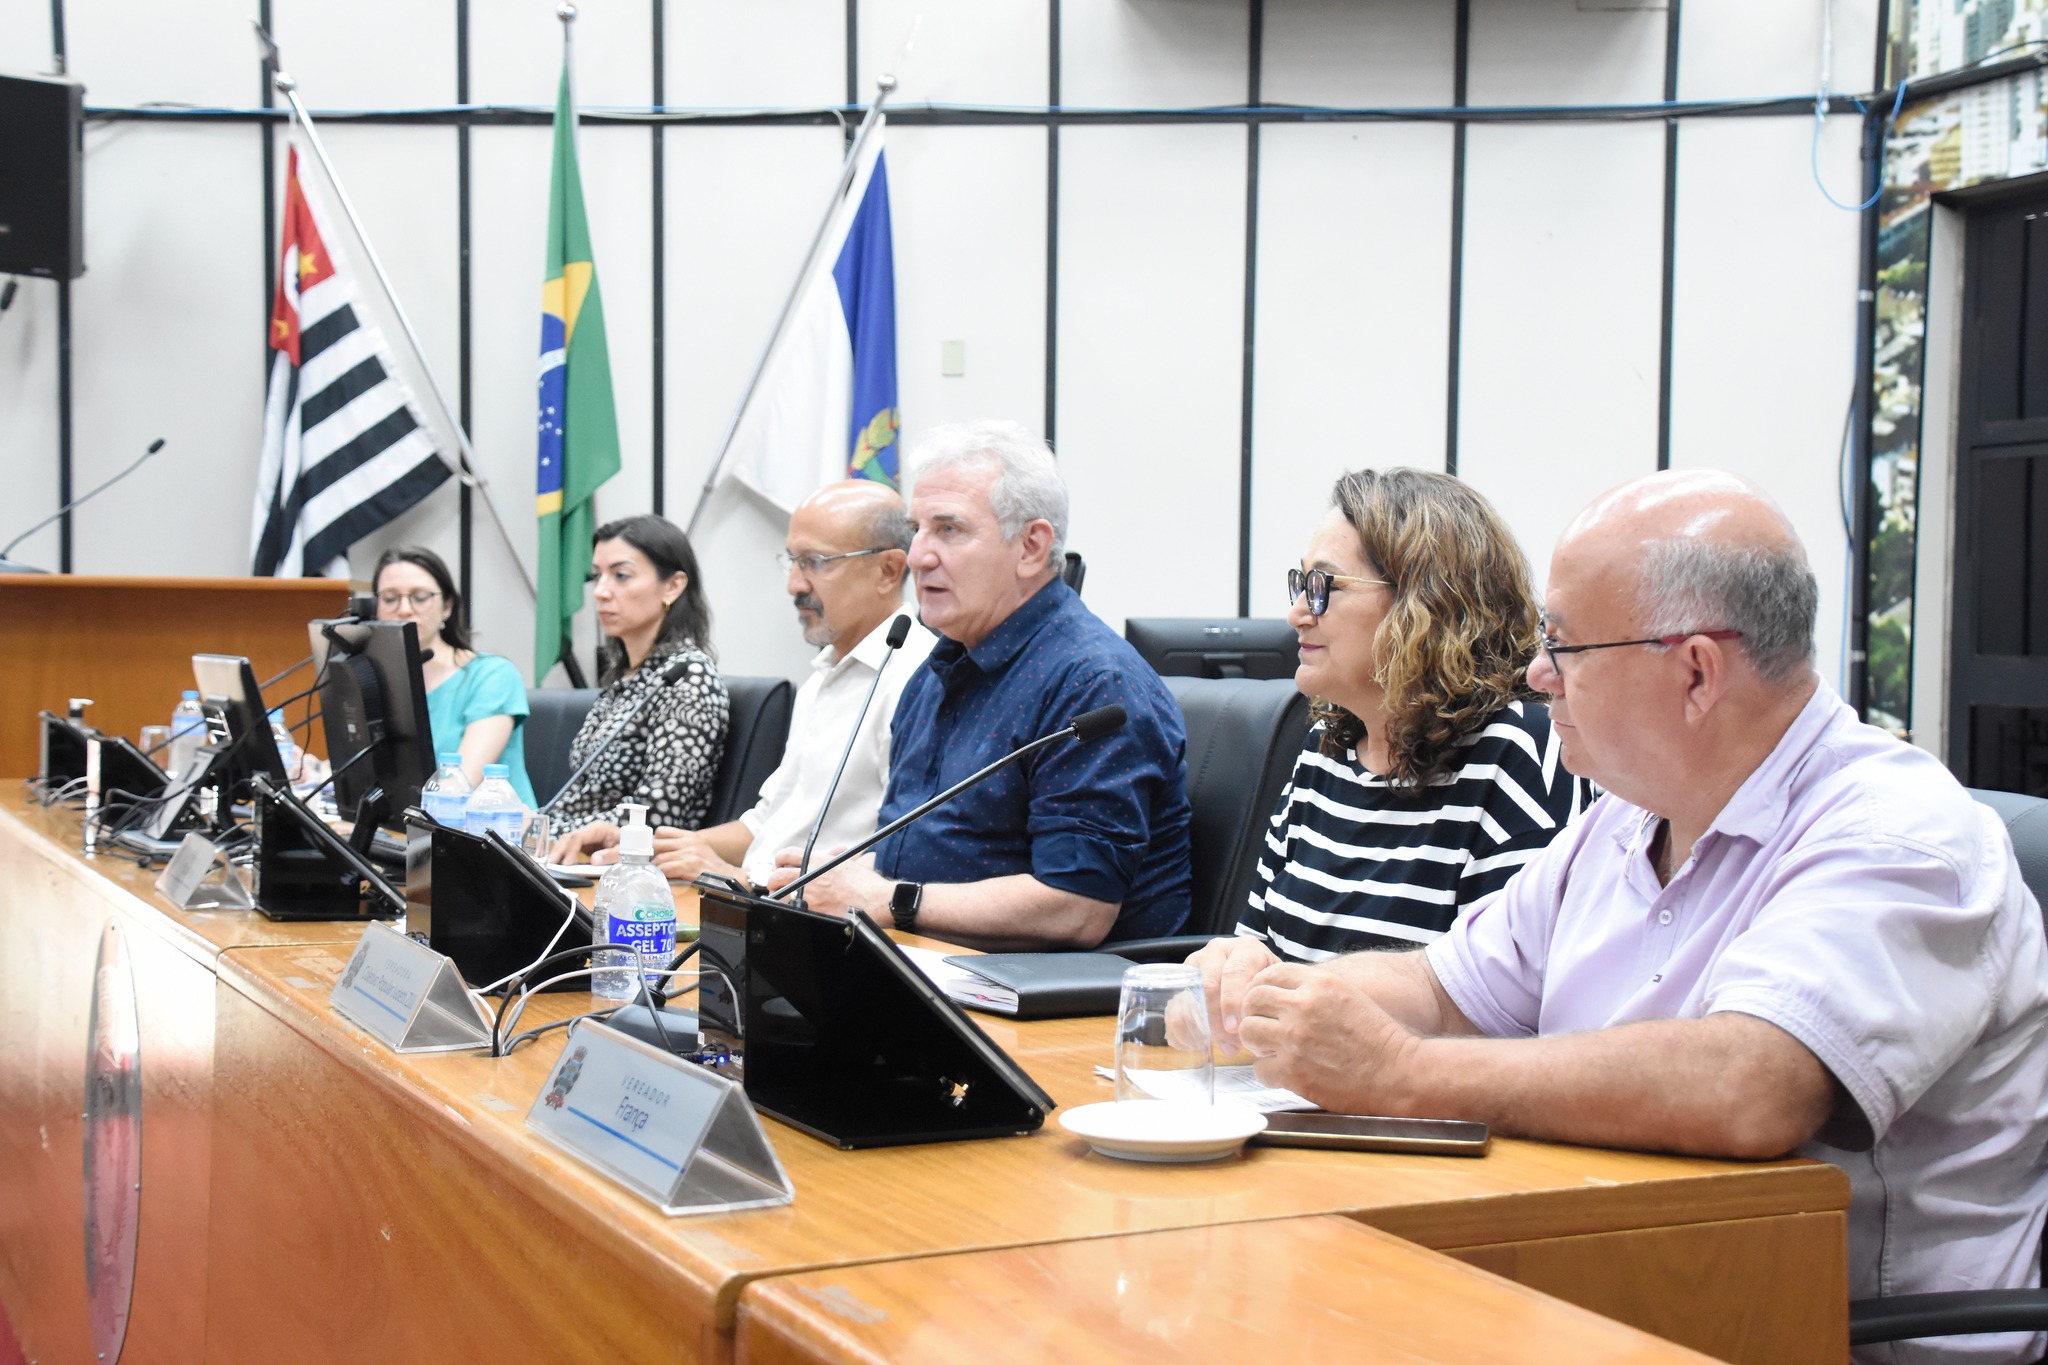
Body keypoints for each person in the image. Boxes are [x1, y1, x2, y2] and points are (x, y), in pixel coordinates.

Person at [1192, 469, 2048, 1364]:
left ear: (1695, 671)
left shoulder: (1896, 832)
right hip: (1626, 1291)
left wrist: (1401, 1073)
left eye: (1563, 647)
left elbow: (1752, 1083)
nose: (1535, 674)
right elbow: (1442, 984)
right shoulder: (1625, 816)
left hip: (1821, 1333)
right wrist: (1276, 995)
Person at [772, 420, 1194, 949]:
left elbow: (1076, 906)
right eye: (917, 529)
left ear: (1031, 547)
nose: (919, 556)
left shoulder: (1094, 685)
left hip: (1051, 1004)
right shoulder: (935, 671)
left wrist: (889, 897)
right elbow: (940, 853)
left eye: (949, 529)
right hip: (921, 966)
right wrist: (848, 875)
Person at [1223, 467, 1587, 964]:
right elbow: (1258, 943)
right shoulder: (1325, 748)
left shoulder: (1519, 752)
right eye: (1301, 584)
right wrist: (1231, 964)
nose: (1298, 613)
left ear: (1424, 603)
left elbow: (1507, 1004)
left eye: (1324, 584)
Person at [552, 481, 933, 884]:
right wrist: (647, 847)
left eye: (816, 561)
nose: (795, 585)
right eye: (793, 561)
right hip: (761, 902)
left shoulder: (919, 677)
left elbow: (902, 855)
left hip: (817, 918)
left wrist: (738, 881)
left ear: (889, 570)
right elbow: (764, 822)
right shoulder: (822, 678)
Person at [544, 515, 728, 842]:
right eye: (597, 576)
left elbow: (660, 813)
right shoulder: (627, 676)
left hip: (633, 868)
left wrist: (549, 829)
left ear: (672, 586)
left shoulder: (687, 677)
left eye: (621, 576)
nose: (600, 592)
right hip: (576, 856)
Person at [371, 545, 535, 807]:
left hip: (491, 834)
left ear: (447, 606)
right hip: (405, 831)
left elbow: (458, 787)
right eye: (390, 598)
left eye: (420, 596)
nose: (403, 609)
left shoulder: (492, 675)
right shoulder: (377, 681)